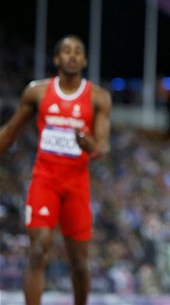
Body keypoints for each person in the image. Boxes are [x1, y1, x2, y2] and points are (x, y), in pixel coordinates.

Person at [0, 35, 112, 305]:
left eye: (77, 52)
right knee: (38, 249)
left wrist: (88, 145)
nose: (72, 56)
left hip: (76, 185)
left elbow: (103, 148)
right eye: (66, 51)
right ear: (56, 59)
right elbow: (10, 132)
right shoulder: (37, 92)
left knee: (79, 263)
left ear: (84, 60)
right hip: (44, 180)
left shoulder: (98, 97)